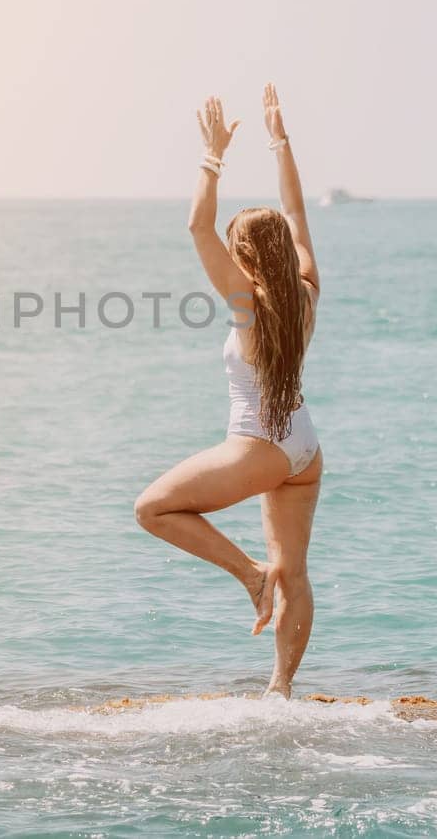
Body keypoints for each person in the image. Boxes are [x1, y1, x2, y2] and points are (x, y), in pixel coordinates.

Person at [134, 84, 324, 699]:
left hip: (260, 445)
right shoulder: (305, 291)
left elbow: (196, 224)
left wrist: (212, 155)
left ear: (244, 257)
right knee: (296, 571)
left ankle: (248, 575)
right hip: (304, 447)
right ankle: (280, 692)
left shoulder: (249, 305)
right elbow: (295, 213)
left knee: (152, 509)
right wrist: (279, 140)